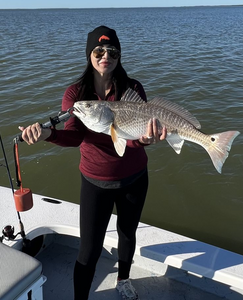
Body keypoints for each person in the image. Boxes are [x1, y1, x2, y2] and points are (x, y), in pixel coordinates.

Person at [19, 25, 167, 300]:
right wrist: (46, 134)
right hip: (95, 181)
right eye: (98, 50)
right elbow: (74, 136)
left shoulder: (132, 88)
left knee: (127, 234)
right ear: (89, 54)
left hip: (134, 177)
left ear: (119, 55)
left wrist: (144, 140)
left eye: (112, 50)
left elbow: (134, 136)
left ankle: (124, 280)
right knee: (88, 249)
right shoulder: (76, 94)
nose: (105, 56)